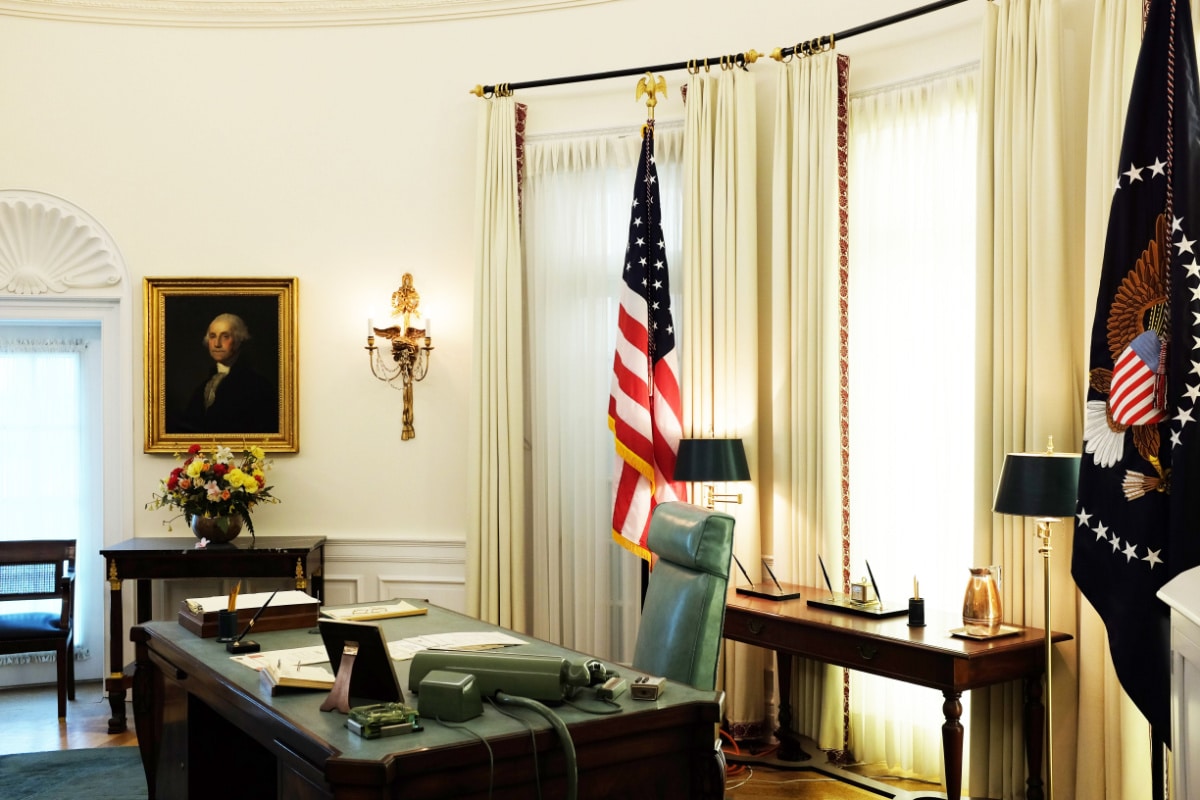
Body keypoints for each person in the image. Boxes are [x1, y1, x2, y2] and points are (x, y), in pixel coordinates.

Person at [177, 313, 277, 434]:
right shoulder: (202, 387)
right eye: (213, 336)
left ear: (238, 340)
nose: (217, 343)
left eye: (225, 336)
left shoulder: (258, 386)